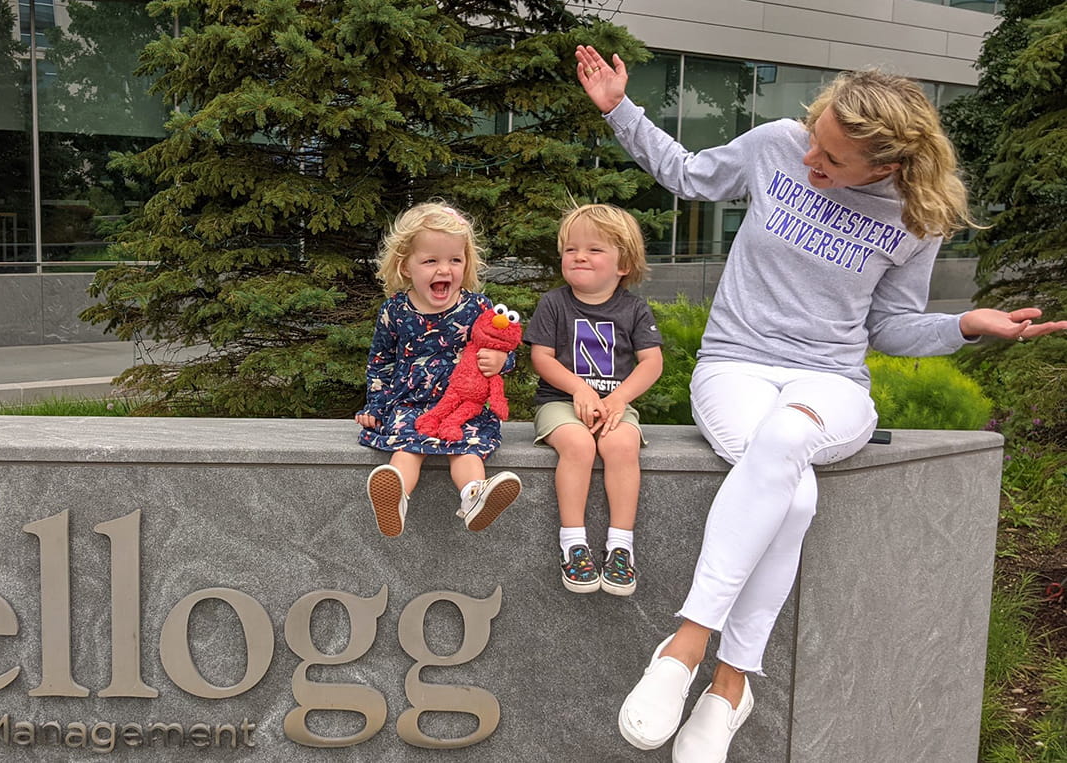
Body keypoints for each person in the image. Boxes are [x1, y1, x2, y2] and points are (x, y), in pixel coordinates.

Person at [574, 45, 1067, 762]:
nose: (811, 158)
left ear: (888, 164)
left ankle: (684, 646)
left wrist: (963, 325)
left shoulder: (915, 217)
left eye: (832, 159)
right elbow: (688, 173)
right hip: (735, 364)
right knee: (795, 494)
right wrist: (621, 109)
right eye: (814, 139)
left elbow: (888, 327)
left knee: (785, 440)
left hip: (831, 383)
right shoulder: (778, 144)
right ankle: (729, 686)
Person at [355, 201, 522, 537]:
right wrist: (375, 406)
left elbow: (502, 347)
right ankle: (396, 496)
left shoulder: (478, 307)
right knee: (407, 445)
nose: (444, 270)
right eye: (431, 261)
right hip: (409, 403)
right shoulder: (395, 310)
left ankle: (474, 495)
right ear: (405, 266)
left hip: (462, 405)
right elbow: (380, 361)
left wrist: (502, 362)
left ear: (466, 263)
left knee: (467, 446)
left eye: (454, 260)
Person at [525, 204, 663, 596]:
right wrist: (579, 389)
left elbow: (652, 363)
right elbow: (541, 357)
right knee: (579, 444)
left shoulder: (634, 309)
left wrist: (619, 398)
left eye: (594, 249)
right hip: (560, 402)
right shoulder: (554, 303)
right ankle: (574, 544)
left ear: (624, 264)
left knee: (622, 445)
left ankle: (621, 546)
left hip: (615, 403)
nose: (579, 256)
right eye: (571, 249)